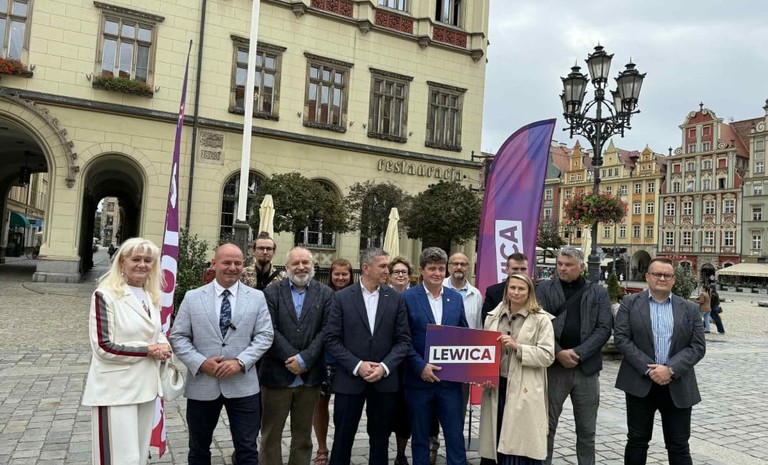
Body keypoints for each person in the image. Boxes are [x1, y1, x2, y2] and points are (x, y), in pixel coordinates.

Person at [170, 243, 274, 465]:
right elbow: (178, 337)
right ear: (214, 264)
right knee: (198, 449)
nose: (232, 268)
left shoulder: (256, 298)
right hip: (203, 385)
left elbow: (265, 336)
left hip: (243, 385)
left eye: (237, 263)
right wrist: (200, 363)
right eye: (227, 262)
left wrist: (240, 362)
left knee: (247, 450)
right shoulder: (192, 297)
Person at [82, 237, 172, 465]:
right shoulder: (105, 295)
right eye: (136, 259)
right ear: (122, 262)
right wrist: (149, 350)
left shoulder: (150, 295)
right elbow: (103, 346)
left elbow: (154, 333)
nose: (142, 265)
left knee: (138, 457)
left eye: (148, 260)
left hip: (146, 387)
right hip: (115, 390)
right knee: (119, 458)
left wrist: (163, 345)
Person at [614, 257, 706, 465]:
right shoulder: (630, 303)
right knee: (637, 441)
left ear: (674, 279)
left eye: (667, 275)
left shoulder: (689, 308)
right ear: (648, 277)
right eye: (657, 274)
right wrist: (650, 369)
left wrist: (670, 369)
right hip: (640, 383)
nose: (662, 278)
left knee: (679, 444)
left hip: (678, 383)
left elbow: (698, 346)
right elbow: (622, 339)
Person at [324, 247, 411, 465]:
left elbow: (403, 341)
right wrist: (357, 365)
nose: (387, 270)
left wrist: (384, 367)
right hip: (349, 381)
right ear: (366, 268)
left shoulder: (395, 299)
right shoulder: (342, 298)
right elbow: (332, 340)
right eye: (383, 266)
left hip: (384, 382)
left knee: (380, 441)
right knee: (342, 438)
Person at [535, 246, 612, 465]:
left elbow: (604, 328)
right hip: (554, 368)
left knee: (587, 430)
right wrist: (558, 352)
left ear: (582, 267)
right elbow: (539, 326)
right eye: (560, 264)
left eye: (568, 265)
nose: (562, 268)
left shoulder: (598, 292)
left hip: (586, 369)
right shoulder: (544, 290)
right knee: (546, 427)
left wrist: (579, 353)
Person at [260, 247, 335, 465]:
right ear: (287, 267)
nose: (301, 267)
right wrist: (293, 358)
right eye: (295, 263)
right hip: (276, 376)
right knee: (270, 437)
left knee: (303, 438)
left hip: (310, 378)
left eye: (305, 262)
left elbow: (327, 330)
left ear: (312, 265)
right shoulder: (271, 293)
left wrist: (304, 360)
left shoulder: (326, 293)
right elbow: (269, 329)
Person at [479, 273, 555, 465]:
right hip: (497, 386)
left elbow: (547, 356)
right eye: (512, 288)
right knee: (495, 438)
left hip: (524, 387)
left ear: (529, 292)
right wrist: (484, 374)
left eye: (521, 288)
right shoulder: (493, 316)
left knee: (519, 442)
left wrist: (518, 347)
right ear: (506, 290)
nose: (516, 292)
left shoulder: (541, 319)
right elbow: (484, 351)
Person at [403, 247, 469, 465]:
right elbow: (402, 339)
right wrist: (420, 366)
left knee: (455, 436)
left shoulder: (455, 299)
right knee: (420, 437)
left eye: (441, 268)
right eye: (432, 268)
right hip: (418, 381)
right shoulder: (407, 298)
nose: (437, 273)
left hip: (450, 383)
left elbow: (464, 336)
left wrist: (474, 368)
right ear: (422, 270)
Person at [313, 258, 355, 465]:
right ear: (330, 275)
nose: (340, 278)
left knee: (345, 408)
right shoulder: (323, 295)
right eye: (336, 274)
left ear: (351, 275)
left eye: (344, 274)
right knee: (321, 404)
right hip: (326, 360)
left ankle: (341, 446)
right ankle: (322, 447)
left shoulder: (356, 295)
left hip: (348, 361)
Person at [482, 253, 529, 325]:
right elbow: (487, 320)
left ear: (528, 270)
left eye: (523, 269)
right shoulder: (493, 292)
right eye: (515, 269)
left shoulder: (536, 291)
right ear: (506, 270)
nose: (519, 272)